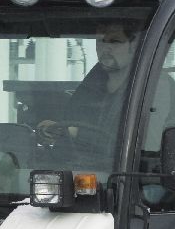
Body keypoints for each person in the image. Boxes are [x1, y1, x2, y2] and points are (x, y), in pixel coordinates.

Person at [36, 19, 139, 154]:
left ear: (133, 46)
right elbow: (71, 127)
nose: (105, 47)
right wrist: (55, 132)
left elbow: (140, 146)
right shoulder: (91, 88)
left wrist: (75, 132)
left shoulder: (152, 88)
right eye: (100, 41)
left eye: (114, 41)